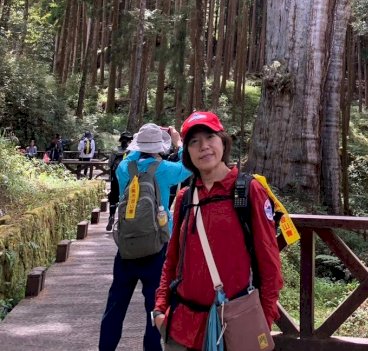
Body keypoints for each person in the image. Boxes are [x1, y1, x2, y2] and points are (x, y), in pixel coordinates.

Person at [153, 111, 283, 350]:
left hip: (234, 327)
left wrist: (261, 321)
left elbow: (269, 264)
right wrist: (160, 308)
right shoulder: (185, 197)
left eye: (209, 137)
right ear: (188, 153)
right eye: (194, 141)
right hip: (182, 328)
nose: (203, 146)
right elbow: (172, 258)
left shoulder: (248, 190)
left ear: (223, 141)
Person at [98, 123, 191, 351]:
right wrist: (178, 142)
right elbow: (189, 167)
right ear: (160, 146)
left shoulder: (123, 167)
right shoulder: (165, 168)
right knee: (155, 306)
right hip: (157, 246)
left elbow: (133, 157)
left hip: (127, 246)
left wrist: (142, 139)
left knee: (115, 306)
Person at [106, 131, 134, 232]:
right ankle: (123, 221)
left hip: (115, 176)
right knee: (127, 197)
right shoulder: (132, 151)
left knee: (113, 197)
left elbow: (109, 164)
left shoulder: (115, 151)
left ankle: (111, 216)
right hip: (128, 177)